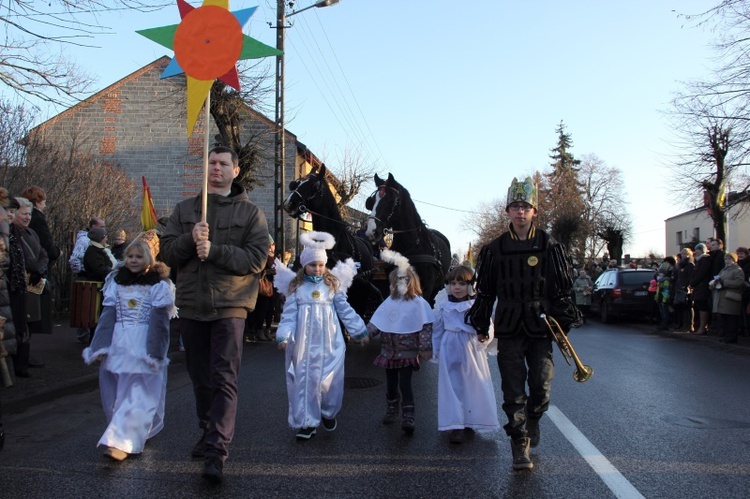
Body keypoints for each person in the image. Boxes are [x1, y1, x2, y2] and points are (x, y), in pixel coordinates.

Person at [159, 145, 269, 485]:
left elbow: (256, 259)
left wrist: (216, 251)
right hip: (192, 305)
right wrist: (190, 241)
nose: (216, 168)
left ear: (235, 170)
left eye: (223, 164)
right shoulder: (186, 209)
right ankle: (207, 429)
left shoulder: (251, 214)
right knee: (199, 376)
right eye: (211, 163)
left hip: (230, 306)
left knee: (224, 377)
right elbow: (166, 253)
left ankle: (217, 451)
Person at [465, 176, 579, 471]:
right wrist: (480, 323)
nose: (519, 211)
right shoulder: (494, 249)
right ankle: (520, 442)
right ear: (507, 211)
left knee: (542, 387)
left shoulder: (550, 245)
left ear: (534, 211)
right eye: (514, 206)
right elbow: (486, 292)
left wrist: (564, 321)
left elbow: (562, 289)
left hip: (541, 326)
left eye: (525, 206)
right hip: (510, 326)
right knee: (512, 387)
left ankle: (534, 418)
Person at [82, 232, 176, 461]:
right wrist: (99, 345)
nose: (133, 260)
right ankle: (126, 431)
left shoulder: (158, 285)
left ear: (149, 260)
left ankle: (120, 442)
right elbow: (107, 315)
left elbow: (160, 322)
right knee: (121, 391)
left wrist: (156, 352)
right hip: (120, 341)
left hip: (143, 342)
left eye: (138, 256)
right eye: (130, 256)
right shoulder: (116, 282)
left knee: (140, 391)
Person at [274, 231, 367, 440]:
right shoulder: (296, 289)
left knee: (329, 383)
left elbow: (345, 310)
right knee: (305, 381)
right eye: (312, 265)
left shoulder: (332, 286)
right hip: (303, 345)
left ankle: (328, 412)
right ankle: (307, 423)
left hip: (330, 344)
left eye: (320, 265)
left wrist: (359, 330)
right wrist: (284, 335)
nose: (316, 269)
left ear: (325, 266)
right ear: (304, 266)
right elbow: (288, 315)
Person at [367, 249, 434, 435]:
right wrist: (366, 334)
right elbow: (377, 322)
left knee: (405, 384)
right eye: (393, 283)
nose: (394, 287)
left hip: (407, 352)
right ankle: (392, 407)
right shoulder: (389, 302)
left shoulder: (418, 304)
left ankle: (408, 415)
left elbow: (425, 327)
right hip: (389, 352)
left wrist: (425, 348)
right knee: (390, 383)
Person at [432, 265, 499, 444]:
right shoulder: (444, 306)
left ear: (471, 286)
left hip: (471, 348)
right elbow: (437, 329)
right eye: (453, 283)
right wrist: (435, 350)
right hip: (450, 347)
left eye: (462, 283)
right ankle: (456, 424)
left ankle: (470, 417)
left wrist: (484, 336)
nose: (457, 287)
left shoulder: (476, 306)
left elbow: (488, 326)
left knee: (473, 384)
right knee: (452, 386)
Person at [12, 197, 48, 378]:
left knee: (30, 324)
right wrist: (34, 268)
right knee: (20, 324)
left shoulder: (32, 233)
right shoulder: (12, 234)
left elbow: (43, 253)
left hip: (33, 285)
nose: (27, 217)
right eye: (24, 213)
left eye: (29, 214)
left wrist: (41, 268)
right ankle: (18, 362)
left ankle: (24, 359)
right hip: (20, 284)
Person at [21, 186, 59, 338]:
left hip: (32, 268)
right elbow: (46, 247)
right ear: (37, 202)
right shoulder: (38, 219)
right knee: (31, 311)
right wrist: (56, 252)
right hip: (35, 271)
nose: (45, 205)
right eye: (43, 201)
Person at [70, 217, 108, 344]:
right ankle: (84, 336)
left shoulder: (99, 248)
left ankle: (87, 335)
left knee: (91, 310)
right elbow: (75, 259)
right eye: (101, 227)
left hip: (94, 280)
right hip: (89, 280)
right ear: (92, 227)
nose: (104, 230)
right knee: (88, 310)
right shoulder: (86, 242)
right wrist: (83, 272)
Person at [245, 235, 277, 343]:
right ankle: (258, 331)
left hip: (270, 286)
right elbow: (262, 270)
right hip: (261, 287)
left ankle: (265, 330)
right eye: (272, 245)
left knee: (268, 310)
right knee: (261, 310)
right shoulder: (264, 256)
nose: (273, 247)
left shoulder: (272, 257)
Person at [710, 252, 745, 344]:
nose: (727, 261)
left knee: (731, 320)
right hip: (722, 297)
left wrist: (724, 282)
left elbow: (739, 282)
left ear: (734, 260)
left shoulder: (738, 270)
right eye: (726, 259)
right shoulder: (723, 270)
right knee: (724, 319)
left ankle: (732, 337)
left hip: (731, 298)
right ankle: (726, 336)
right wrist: (714, 284)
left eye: (729, 259)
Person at [690, 243, 712, 335]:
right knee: (698, 305)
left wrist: (692, 283)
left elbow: (701, 274)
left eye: (698, 249)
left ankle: (703, 327)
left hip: (702, 286)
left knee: (702, 305)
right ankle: (701, 326)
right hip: (699, 287)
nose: (696, 251)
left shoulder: (705, 260)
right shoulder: (699, 260)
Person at [673, 248, 695, 332]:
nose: (684, 255)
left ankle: (689, 325)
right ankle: (681, 324)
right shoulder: (681, 265)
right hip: (679, 288)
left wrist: (687, 286)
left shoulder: (690, 265)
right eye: (682, 254)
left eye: (686, 254)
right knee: (680, 307)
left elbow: (690, 277)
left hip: (686, 289)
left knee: (688, 307)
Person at [655, 256, 676, 330]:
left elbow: (670, 280)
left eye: (666, 262)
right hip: (661, 291)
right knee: (662, 307)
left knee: (665, 307)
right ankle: (664, 322)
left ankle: (666, 323)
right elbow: (657, 276)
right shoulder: (663, 269)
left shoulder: (672, 270)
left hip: (666, 291)